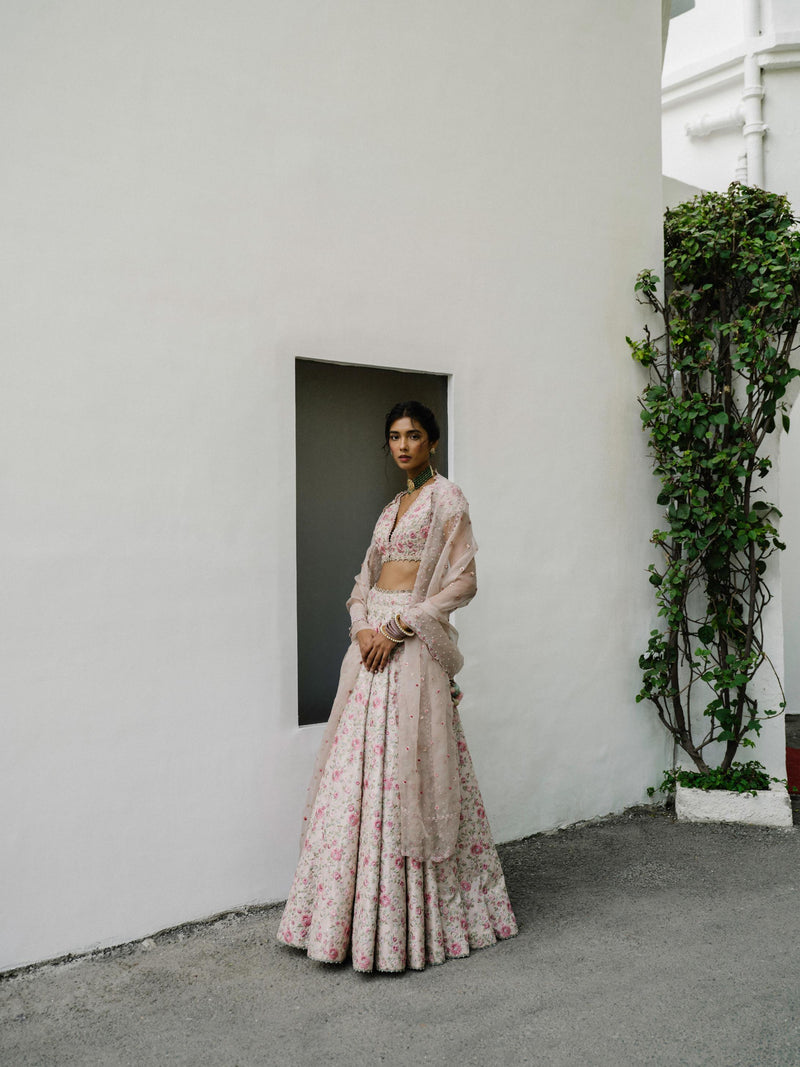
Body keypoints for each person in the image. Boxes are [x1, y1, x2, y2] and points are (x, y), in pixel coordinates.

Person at [277, 401, 517, 972]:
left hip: (410, 643)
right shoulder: (391, 508)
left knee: (411, 770)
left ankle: (414, 927)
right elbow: (363, 579)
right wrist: (363, 626)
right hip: (371, 646)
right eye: (393, 436)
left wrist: (400, 626)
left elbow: (463, 580)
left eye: (413, 435)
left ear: (432, 440)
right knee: (353, 775)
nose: (403, 445)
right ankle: (343, 921)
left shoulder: (446, 498)